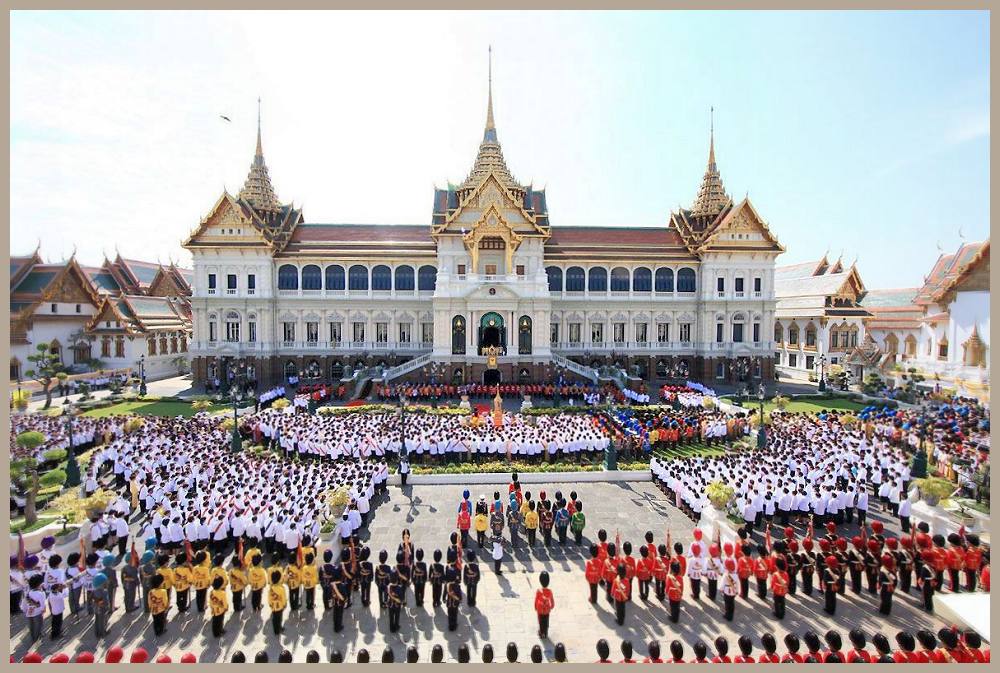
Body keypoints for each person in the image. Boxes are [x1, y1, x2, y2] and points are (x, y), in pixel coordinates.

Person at [535, 571, 555, 638]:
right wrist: (552, 606)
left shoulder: (538, 591)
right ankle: (545, 632)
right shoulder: (549, 591)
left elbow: (536, 600)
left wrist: (535, 606)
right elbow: (552, 600)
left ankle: (541, 632)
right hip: (547, 609)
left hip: (540, 609)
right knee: (546, 620)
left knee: (540, 621)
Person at [268, 568, 287, 635]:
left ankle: (275, 629)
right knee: (279, 618)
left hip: (273, 606)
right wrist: (284, 604)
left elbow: (269, 597)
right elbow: (283, 598)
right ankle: (279, 628)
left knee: (274, 618)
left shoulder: (271, 588)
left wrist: (270, 603)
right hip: (279, 606)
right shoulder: (281, 588)